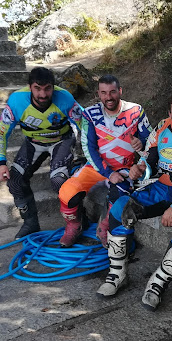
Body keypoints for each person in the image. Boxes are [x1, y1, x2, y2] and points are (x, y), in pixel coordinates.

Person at [97, 90, 172, 307]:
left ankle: (158, 283)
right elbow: (148, 159)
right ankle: (117, 274)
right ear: (169, 113)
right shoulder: (161, 126)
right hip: (161, 189)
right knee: (119, 209)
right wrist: (139, 168)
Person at [58, 75, 151, 247]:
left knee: (121, 191)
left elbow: (151, 140)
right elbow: (88, 148)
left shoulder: (136, 111)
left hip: (126, 167)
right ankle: (74, 226)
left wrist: (142, 143)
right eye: (104, 93)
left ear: (120, 91)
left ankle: (105, 228)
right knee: (67, 191)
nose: (109, 97)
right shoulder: (90, 114)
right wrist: (108, 173)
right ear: (98, 94)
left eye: (113, 92)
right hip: (97, 167)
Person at [0, 67, 84, 239]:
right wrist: (1, 162)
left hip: (62, 140)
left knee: (59, 181)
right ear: (29, 87)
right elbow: (0, 132)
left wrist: (89, 153)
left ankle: (77, 221)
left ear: (54, 88)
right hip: (33, 142)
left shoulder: (64, 98)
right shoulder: (17, 101)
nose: (43, 94)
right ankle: (30, 223)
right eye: (37, 88)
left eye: (47, 88)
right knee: (15, 181)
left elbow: (85, 125)